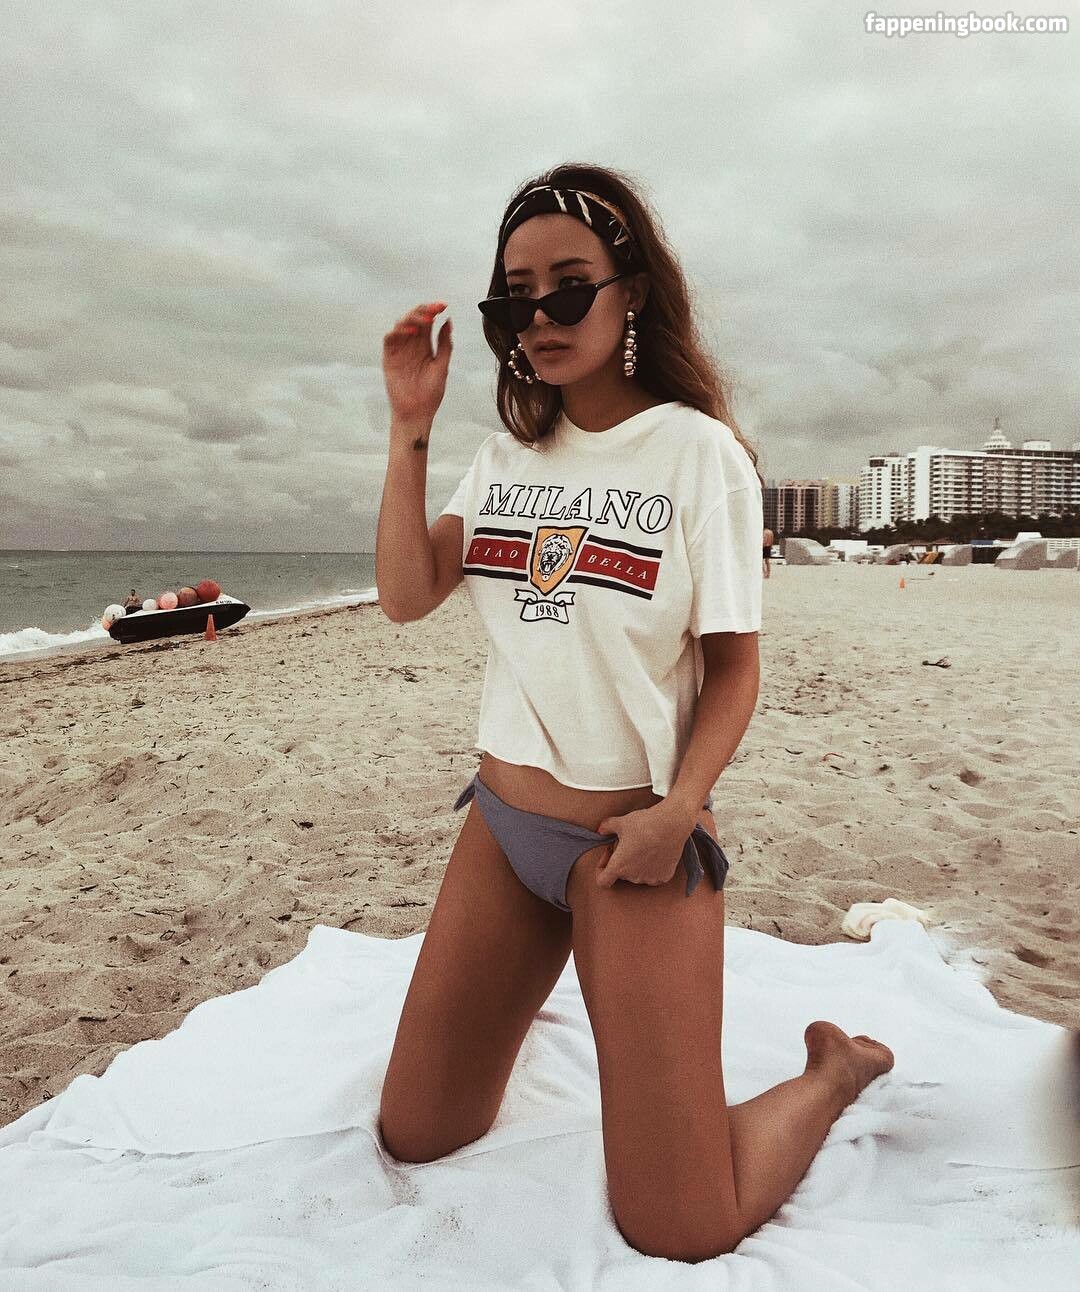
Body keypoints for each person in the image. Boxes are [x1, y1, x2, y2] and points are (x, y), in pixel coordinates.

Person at [375, 164, 893, 1263]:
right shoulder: (505, 457)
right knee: (417, 1132)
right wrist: (408, 428)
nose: (541, 316)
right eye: (515, 297)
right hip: (503, 829)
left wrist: (681, 809)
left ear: (633, 293)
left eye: (569, 286)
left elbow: (735, 668)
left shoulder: (698, 455)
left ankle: (833, 1073)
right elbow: (406, 594)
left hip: (633, 849)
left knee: (682, 1223)